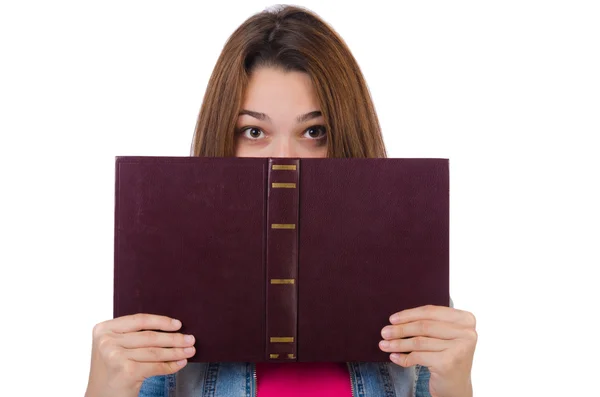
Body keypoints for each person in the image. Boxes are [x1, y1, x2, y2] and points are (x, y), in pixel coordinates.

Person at [84, 5, 477, 397]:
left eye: (315, 131)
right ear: (223, 136)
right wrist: (106, 386)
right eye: (254, 131)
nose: (285, 156)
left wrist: (455, 384)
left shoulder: (410, 292)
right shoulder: (165, 285)